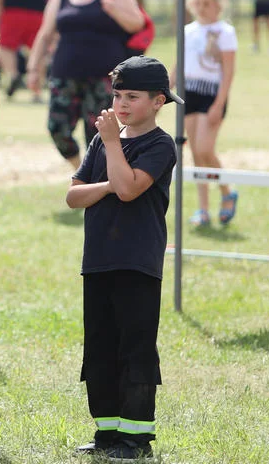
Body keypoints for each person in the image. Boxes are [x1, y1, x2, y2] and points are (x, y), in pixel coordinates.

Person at [65, 56, 179, 461]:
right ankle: (107, 430)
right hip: (98, 259)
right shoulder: (100, 141)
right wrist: (111, 181)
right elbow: (73, 195)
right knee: (100, 347)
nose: (121, 104)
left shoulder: (160, 145)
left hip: (137, 261)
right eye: (117, 95)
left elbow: (130, 190)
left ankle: (136, 437)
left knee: (135, 347)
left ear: (158, 102)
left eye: (132, 96)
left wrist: (114, 147)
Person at [26, 0, 146, 169]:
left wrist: (115, 10)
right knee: (57, 127)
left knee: (98, 132)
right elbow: (44, 34)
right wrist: (33, 69)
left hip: (104, 76)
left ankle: (95, 178)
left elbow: (137, 24)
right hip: (65, 74)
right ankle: (79, 168)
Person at [173, 0, 238, 228]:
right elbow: (179, 66)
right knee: (195, 153)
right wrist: (162, 90)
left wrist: (218, 104)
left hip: (212, 94)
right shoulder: (188, 31)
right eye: (198, 2)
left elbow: (228, 71)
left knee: (205, 148)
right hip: (189, 93)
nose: (202, 7)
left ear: (218, 4)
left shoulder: (225, 32)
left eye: (207, 3)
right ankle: (203, 209)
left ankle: (226, 191)